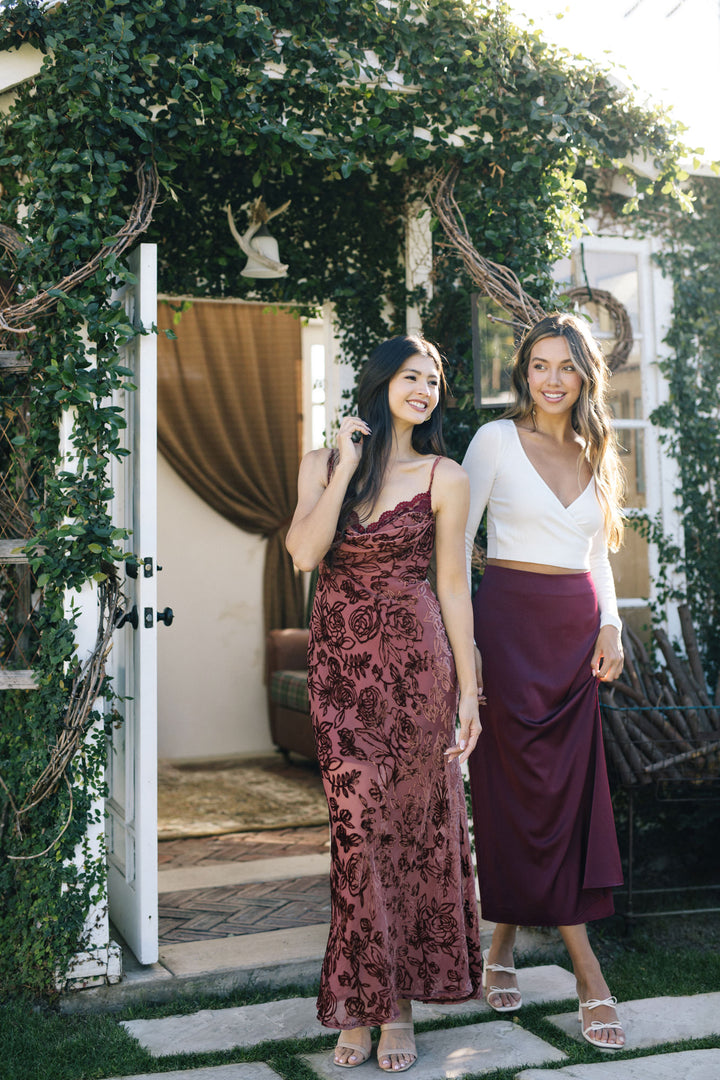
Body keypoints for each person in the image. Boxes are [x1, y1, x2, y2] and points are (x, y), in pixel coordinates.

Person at [287, 335, 483, 1072]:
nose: (425, 389)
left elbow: (455, 589)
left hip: (416, 673)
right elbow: (306, 554)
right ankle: (365, 1000)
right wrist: (340, 468)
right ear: (379, 383)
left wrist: (471, 692)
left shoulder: (446, 475)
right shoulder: (319, 464)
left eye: (433, 381)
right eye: (411, 376)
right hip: (340, 671)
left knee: (403, 833)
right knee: (356, 829)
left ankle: (392, 1006)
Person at [461, 312, 626, 1051]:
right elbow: (451, 549)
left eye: (566, 366)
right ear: (522, 372)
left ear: (585, 374)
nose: (552, 379)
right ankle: (588, 974)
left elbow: (596, 554)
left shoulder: (597, 449)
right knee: (515, 796)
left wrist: (612, 625)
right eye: (539, 366)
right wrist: (460, 654)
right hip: (506, 634)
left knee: (565, 798)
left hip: (574, 644)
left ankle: (499, 947)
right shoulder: (495, 441)